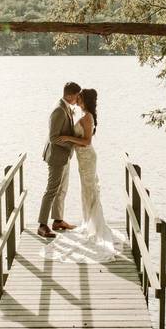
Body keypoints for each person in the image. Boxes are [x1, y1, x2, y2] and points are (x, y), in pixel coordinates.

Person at [41, 88, 121, 263]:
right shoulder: (80, 113)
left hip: (87, 158)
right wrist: (68, 138)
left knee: (90, 190)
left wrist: (68, 138)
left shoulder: (87, 117)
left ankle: (94, 225)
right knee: (86, 191)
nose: (77, 99)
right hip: (81, 159)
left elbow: (86, 142)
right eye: (77, 96)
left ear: (85, 99)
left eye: (80, 97)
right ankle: (88, 222)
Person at [37, 82, 82, 239]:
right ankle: (42, 225)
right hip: (56, 156)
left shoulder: (67, 107)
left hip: (64, 155)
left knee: (62, 189)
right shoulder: (59, 110)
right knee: (52, 190)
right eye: (77, 95)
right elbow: (53, 137)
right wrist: (72, 143)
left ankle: (58, 220)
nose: (78, 98)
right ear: (69, 95)